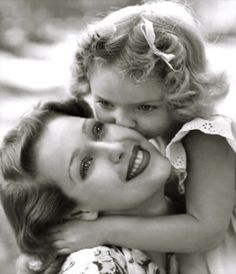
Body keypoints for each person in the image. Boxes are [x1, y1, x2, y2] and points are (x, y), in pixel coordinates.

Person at [65, 0, 236, 273]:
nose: (123, 123)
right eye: (105, 103)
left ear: (182, 94)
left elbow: (207, 230)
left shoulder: (205, 137)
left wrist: (102, 230)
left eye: (145, 107)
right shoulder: (147, 138)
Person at [0, 97, 176, 274]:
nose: (116, 149)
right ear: (79, 212)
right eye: (86, 165)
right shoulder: (94, 266)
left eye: (98, 130)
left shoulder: (193, 195)